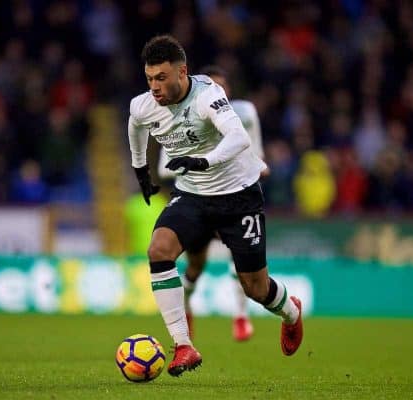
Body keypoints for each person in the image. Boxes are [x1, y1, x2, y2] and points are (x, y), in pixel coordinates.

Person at [128, 35, 303, 377]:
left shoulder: (208, 96)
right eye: (149, 79)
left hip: (238, 195)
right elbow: (135, 125)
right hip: (193, 195)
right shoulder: (143, 104)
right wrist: (140, 169)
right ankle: (183, 346)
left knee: (255, 287)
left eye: (161, 78)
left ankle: (292, 313)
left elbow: (240, 139)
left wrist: (205, 161)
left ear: (182, 72)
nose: (154, 87)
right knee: (159, 249)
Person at [157, 65, 270, 342]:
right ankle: (186, 307)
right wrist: (198, 164)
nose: (215, 92)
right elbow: (163, 169)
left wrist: (256, 167)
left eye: (220, 87)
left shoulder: (243, 115)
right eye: (210, 87)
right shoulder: (181, 116)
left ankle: (241, 318)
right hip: (197, 201)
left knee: (239, 256)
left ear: (227, 92)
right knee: (195, 267)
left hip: (232, 198)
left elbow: (254, 153)